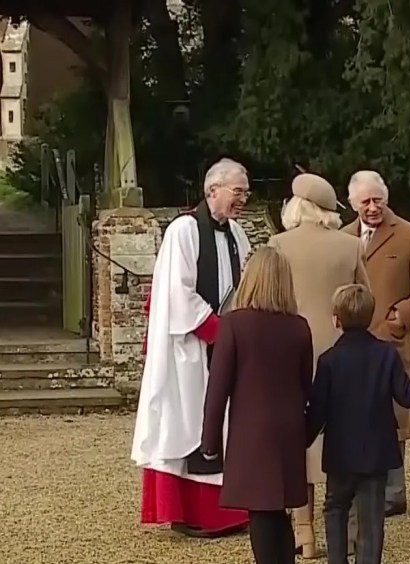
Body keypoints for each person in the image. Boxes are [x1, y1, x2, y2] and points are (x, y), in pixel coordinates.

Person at [131, 157, 252, 538]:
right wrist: (217, 330)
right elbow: (175, 290)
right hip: (190, 347)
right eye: (238, 191)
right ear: (212, 189)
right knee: (188, 422)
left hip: (226, 346)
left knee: (227, 423)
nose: (243, 199)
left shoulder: (238, 235)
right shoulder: (183, 231)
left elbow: (246, 284)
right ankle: (192, 514)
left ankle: (229, 512)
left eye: (246, 192)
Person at [305, 284, 410, 564]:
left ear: (336, 319)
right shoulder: (385, 354)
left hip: (340, 456)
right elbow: (408, 396)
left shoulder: (328, 361)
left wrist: (300, 439)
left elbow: (318, 413)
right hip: (376, 453)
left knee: (335, 508)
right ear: (371, 317)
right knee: (371, 520)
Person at [267, 173, 370, 558]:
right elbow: (365, 299)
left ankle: (304, 535)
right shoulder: (350, 246)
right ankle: (346, 534)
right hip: (339, 351)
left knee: (300, 439)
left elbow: (268, 296)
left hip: (292, 350)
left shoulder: (278, 244)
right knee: (341, 436)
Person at [199, 247, 314, 564]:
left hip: (252, 431)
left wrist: (209, 442)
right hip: (289, 428)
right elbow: (308, 386)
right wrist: (306, 431)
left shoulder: (235, 324)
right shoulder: (299, 327)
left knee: (262, 513)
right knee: (277, 510)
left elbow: (218, 389)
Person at [342, 170, 410, 517]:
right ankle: (365, 487)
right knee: (359, 414)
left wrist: (400, 318)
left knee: (395, 414)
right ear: (353, 203)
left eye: (377, 199)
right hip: (353, 344)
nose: (372, 207)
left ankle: (394, 491)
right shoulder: (343, 238)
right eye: (365, 201)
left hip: (392, 344)